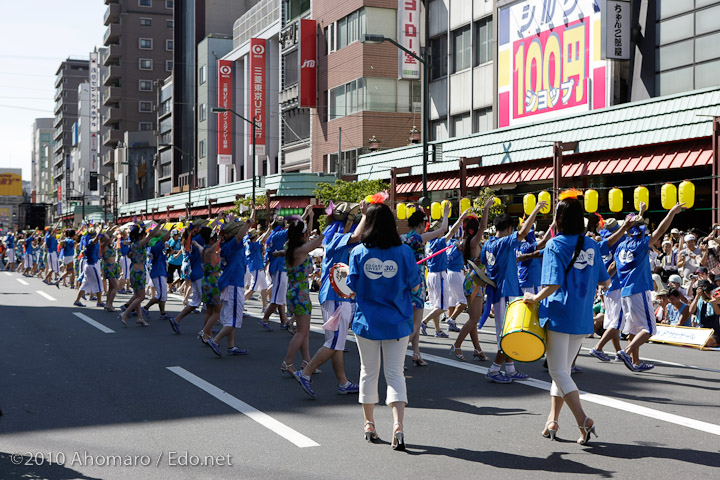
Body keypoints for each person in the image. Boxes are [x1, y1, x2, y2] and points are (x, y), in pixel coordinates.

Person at [523, 191, 611, 445]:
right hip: (583, 316)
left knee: (558, 371)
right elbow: (605, 280)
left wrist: (534, 298)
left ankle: (583, 419)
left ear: (559, 219)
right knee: (562, 370)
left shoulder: (555, 244)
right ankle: (552, 420)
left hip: (560, 314)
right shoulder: (592, 244)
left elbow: (552, 284)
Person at [346, 199, 421, 451]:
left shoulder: (358, 253)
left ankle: (369, 424)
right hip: (398, 322)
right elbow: (416, 287)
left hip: (366, 321)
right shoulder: (405, 252)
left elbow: (351, 287)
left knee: (368, 372)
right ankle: (398, 426)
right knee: (395, 373)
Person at [293, 203, 367, 397]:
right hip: (335, 294)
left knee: (337, 343)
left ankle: (343, 382)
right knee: (334, 342)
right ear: (348, 220)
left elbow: (360, 239)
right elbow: (357, 236)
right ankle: (306, 372)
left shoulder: (336, 235)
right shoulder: (334, 235)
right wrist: (366, 215)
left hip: (338, 294)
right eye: (353, 219)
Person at [614, 202, 685, 372]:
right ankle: (626, 351)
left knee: (634, 328)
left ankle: (636, 362)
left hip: (625, 292)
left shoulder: (621, 246)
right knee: (650, 329)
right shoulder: (641, 244)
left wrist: (641, 212)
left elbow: (634, 230)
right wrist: (672, 212)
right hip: (638, 290)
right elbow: (660, 230)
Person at [480, 198, 546, 383]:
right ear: (509, 229)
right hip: (504, 293)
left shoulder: (488, 244)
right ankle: (494, 370)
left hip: (498, 293)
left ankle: (510, 369)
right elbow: (524, 231)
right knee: (508, 334)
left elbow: (483, 267)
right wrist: (536, 210)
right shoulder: (504, 243)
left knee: (510, 332)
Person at [402, 203, 450, 366]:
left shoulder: (403, 238)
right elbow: (443, 229)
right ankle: (399, 354)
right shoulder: (418, 238)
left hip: (404, 281)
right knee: (416, 321)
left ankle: (416, 352)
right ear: (422, 224)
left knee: (412, 319)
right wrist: (445, 214)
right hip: (417, 282)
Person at [281, 206, 324, 377]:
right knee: (301, 331)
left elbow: (306, 236)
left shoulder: (290, 247)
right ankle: (287, 362)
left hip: (294, 290)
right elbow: (318, 240)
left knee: (303, 330)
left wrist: (309, 217)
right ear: (302, 235)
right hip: (300, 292)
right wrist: (334, 224)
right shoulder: (301, 250)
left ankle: (307, 361)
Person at [450, 199, 494, 361]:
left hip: (473, 280)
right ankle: (457, 345)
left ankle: (477, 349)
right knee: (474, 318)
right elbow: (483, 226)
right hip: (475, 281)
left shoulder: (465, 243)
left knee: (474, 318)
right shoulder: (474, 242)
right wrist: (486, 209)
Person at [205, 213, 253, 355]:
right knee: (233, 319)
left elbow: (237, 235)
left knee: (229, 317)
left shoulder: (226, 245)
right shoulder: (233, 245)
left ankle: (231, 346)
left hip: (228, 283)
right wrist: (248, 223)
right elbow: (239, 236)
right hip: (233, 283)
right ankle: (216, 340)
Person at [420, 209, 469, 337]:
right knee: (442, 306)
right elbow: (451, 231)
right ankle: (424, 322)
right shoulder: (438, 243)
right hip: (439, 275)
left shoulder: (428, 244)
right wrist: (460, 218)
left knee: (436, 305)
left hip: (430, 274)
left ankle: (438, 330)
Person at [589, 218, 631, 362]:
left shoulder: (602, 242)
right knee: (617, 322)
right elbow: (614, 264)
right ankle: (598, 347)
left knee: (614, 321)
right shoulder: (620, 240)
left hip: (607, 285)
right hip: (616, 283)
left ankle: (619, 351)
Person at [120, 223, 161, 326]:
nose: (145, 236)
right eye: (143, 234)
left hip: (134, 271)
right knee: (141, 297)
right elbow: (151, 236)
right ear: (140, 235)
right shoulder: (139, 244)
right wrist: (159, 224)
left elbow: (130, 256)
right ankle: (125, 313)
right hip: (139, 272)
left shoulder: (133, 245)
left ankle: (140, 317)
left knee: (137, 295)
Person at [259, 217, 290, 331]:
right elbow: (294, 228)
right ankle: (265, 319)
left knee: (280, 297)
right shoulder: (279, 235)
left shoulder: (272, 235)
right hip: (280, 267)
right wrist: (306, 215)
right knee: (277, 298)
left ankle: (283, 321)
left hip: (275, 266)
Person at [142, 227, 173, 320]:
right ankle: (145, 308)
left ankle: (162, 313)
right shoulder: (157, 246)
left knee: (163, 294)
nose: (169, 237)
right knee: (160, 295)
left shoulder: (158, 245)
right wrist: (170, 230)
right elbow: (164, 238)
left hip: (160, 271)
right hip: (158, 272)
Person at [73, 229, 105, 308]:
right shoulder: (90, 241)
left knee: (85, 284)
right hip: (91, 266)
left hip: (88, 266)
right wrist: (100, 229)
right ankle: (99, 301)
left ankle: (77, 300)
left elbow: (100, 237)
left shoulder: (88, 241)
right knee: (98, 282)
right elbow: (96, 238)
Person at [689, 280, 720, 347]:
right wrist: (697, 296)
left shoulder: (716, 300)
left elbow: (718, 312)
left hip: (713, 331)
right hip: (701, 330)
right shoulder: (699, 301)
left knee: (707, 342)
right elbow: (691, 311)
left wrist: (711, 297)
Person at [244, 228, 269, 309]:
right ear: (254, 237)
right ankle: (239, 303)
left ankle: (265, 307)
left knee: (264, 288)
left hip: (258, 268)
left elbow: (261, 239)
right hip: (256, 269)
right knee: (252, 289)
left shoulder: (249, 244)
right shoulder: (253, 245)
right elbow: (263, 239)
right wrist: (269, 229)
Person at [99, 227, 120, 312]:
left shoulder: (110, 246)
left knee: (111, 287)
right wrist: (105, 230)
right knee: (116, 286)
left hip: (114, 267)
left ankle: (108, 304)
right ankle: (109, 304)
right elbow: (107, 238)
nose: (112, 239)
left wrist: (111, 229)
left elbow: (110, 238)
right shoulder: (103, 245)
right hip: (108, 267)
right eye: (111, 237)